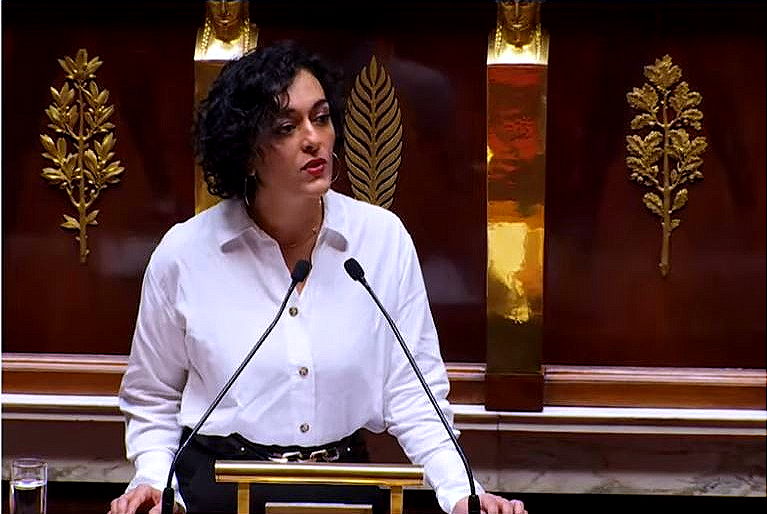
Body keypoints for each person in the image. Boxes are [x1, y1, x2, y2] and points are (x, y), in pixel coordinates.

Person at [108, 40, 527, 514]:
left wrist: (461, 492)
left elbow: (415, 393)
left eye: (321, 118)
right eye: (286, 127)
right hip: (220, 485)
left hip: (345, 484)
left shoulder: (380, 240)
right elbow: (154, 396)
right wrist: (155, 483)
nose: (314, 139)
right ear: (245, 153)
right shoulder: (186, 254)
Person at [194, 0, 259, 61]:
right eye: (216, 0)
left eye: (230, 0)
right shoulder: (200, 38)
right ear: (207, 4)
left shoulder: (253, 37)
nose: (223, 10)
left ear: (244, 3)